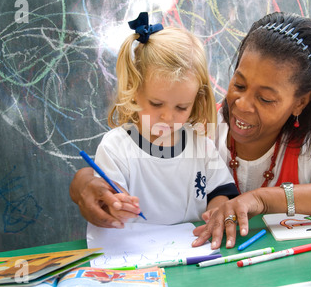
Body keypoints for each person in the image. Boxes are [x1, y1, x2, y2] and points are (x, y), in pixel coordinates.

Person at [70, 12, 311, 247]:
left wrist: (264, 200)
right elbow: (120, 162)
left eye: (266, 98)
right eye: (238, 84)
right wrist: (86, 184)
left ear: (301, 102)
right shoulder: (200, 126)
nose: (241, 104)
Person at [84, 12, 238, 226]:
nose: (167, 116)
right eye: (156, 104)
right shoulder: (116, 148)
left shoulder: (201, 145)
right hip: (138, 254)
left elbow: (221, 192)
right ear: (134, 89)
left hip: (195, 252)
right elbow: (108, 200)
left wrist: (216, 212)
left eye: (182, 107)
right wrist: (117, 206)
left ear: (196, 100)